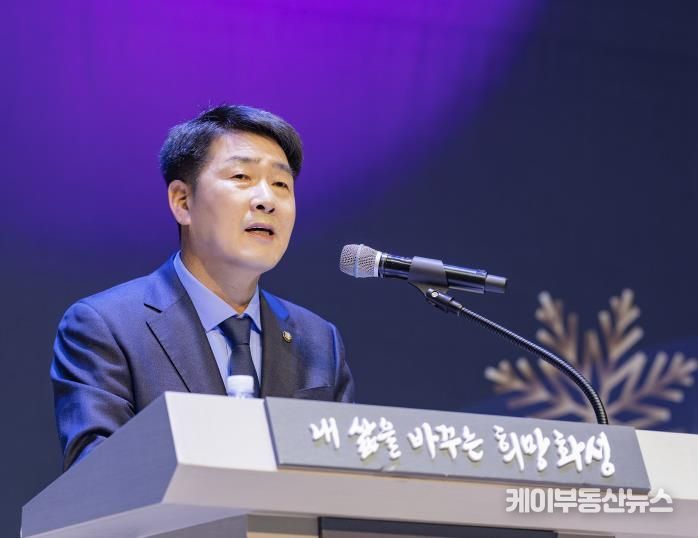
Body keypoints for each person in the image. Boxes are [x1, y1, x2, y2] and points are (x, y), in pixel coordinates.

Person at [51, 105, 354, 470]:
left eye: (281, 185)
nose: (266, 200)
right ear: (183, 201)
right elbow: (97, 474)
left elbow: (344, 476)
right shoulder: (106, 327)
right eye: (242, 176)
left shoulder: (319, 340)